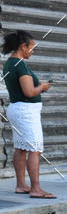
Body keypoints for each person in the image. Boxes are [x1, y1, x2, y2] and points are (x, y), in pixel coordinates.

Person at [2, 30, 54, 198]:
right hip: (26, 111)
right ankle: (36, 189)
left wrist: (39, 88)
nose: (33, 51)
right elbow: (30, 92)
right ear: (23, 47)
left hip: (17, 109)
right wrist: (43, 87)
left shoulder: (10, 63)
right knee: (34, 149)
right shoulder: (21, 65)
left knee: (21, 148)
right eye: (32, 47)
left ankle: (21, 185)